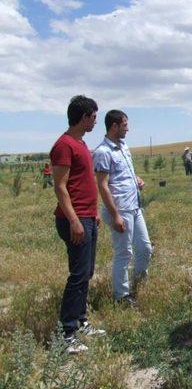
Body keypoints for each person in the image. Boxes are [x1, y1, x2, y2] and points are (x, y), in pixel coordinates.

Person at [50, 95, 105, 354]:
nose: (96, 121)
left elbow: (82, 184)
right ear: (84, 117)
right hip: (74, 220)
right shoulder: (64, 145)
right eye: (94, 117)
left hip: (87, 217)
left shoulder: (81, 144)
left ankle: (80, 321)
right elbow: (60, 187)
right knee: (78, 275)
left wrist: (93, 214)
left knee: (87, 273)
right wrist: (74, 220)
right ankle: (67, 332)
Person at [94, 110, 152, 307]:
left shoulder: (124, 146)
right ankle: (122, 296)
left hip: (135, 206)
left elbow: (124, 174)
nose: (128, 128)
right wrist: (115, 215)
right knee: (124, 253)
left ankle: (139, 284)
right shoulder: (103, 152)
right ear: (114, 126)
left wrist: (136, 180)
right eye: (125, 124)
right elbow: (102, 185)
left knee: (145, 249)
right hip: (121, 209)